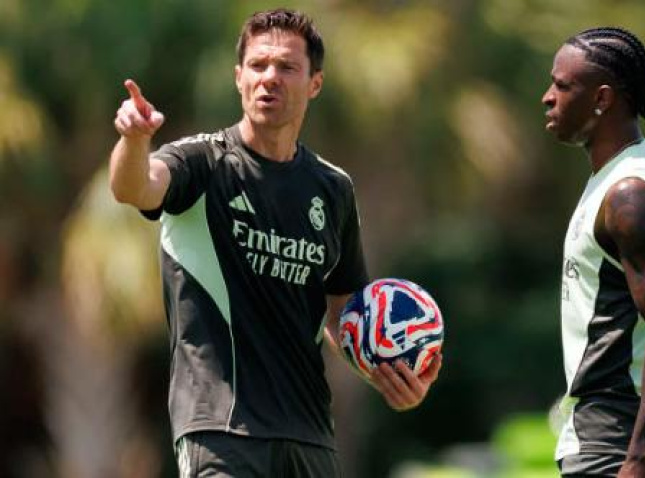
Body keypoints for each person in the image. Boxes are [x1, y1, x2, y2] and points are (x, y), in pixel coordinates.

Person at [109, 8, 441, 477]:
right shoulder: (202, 162)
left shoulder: (333, 188)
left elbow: (344, 313)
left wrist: (385, 375)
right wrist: (134, 138)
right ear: (238, 77)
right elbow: (134, 187)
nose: (271, 78)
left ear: (314, 84)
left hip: (310, 436)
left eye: (287, 67)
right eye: (259, 65)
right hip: (222, 430)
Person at [542, 27, 645, 478]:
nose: (547, 97)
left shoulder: (628, 193)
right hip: (620, 437)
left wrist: (639, 459)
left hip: (617, 439)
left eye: (562, 85)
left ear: (602, 99)